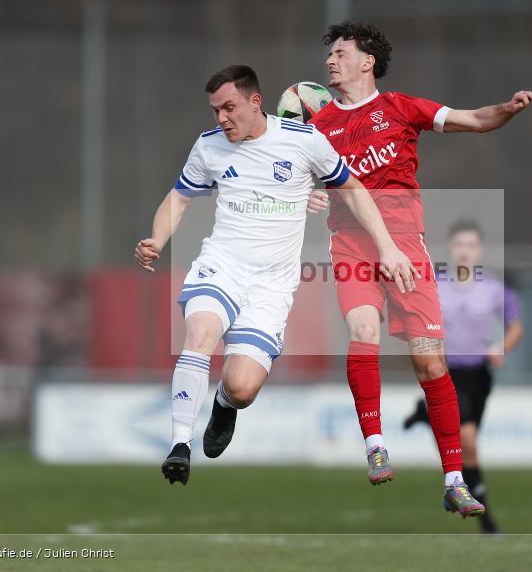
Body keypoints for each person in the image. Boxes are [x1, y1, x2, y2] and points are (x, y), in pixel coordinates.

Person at [134, 65, 416, 486]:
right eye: (215, 111)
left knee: (243, 387)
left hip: (272, 285)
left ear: (255, 101)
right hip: (221, 266)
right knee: (200, 333)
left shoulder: (303, 142)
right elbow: (178, 198)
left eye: (229, 108)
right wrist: (156, 239)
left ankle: (225, 404)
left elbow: (354, 190)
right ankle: (179, 445)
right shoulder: (209, 146)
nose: (221, 119)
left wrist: (388, 247)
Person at [306, 20, 532, 517]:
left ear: (368, 62)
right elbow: (296, 181)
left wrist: (508, 108)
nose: (331, 60)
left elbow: (474, 119)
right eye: (331, 54)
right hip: (351, 244)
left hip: (406, 247)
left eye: (342, 53)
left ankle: (454, 481)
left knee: (430, 362)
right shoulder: (319, 126)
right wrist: (305, 195)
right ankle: (375, 444)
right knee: (362, 329)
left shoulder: (400, 108)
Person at [403, 220, 524, 533]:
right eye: (459, 245)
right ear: (450, 249)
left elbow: (516, 323)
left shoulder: (493, 288)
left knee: (467, 439)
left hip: (479, 375)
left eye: (470, 246)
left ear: (479, 250)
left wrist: (502, 347)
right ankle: (485, 518)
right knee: (466, 440)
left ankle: (425, 414)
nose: (464, 252)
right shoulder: (436, 286)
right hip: (447, 371)